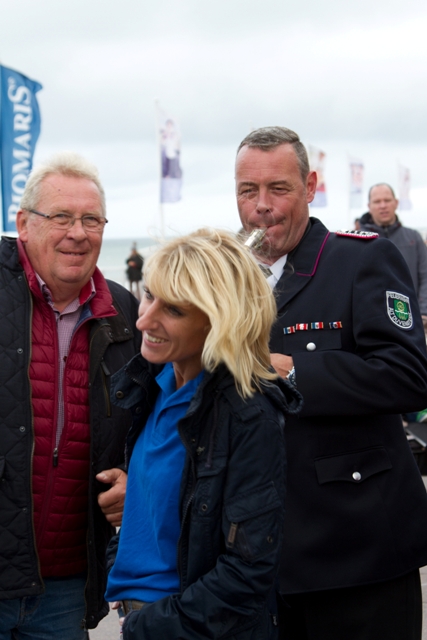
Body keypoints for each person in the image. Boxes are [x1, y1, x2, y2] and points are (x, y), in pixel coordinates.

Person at [235, 126, 427, 640]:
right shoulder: (224, 274)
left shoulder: (361, 259)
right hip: (258, 561)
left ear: (310, 187)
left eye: (278, 188)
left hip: (360, 553)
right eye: (248, 191)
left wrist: (294, 371)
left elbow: (410, 375)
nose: (261, 206)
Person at [104, 228, 302, 640]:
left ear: (220, 321)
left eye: (174, 310)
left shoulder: (247, 414)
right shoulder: (151, 386)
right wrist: (120, 572)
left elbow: (248, 572)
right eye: (149, 295)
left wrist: (152, 623)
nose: (144, 320)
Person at [0, 152, 141, 639]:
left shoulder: (124, 310)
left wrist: (135, 477)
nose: (78, 233)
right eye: (61, 217)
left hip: (67, 584)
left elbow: (154, 418)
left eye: (91, 220)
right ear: (24, 224)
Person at [360, 183, 427, 319]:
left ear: (396, 203)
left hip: (412, 317)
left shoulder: (414, 238)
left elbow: (425, 276)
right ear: (369, 206)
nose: (383, 205)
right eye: (377, 202)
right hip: (373, 319)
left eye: (387, 200)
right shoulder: (358, 241)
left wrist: (423, 311)